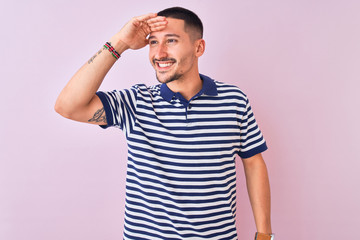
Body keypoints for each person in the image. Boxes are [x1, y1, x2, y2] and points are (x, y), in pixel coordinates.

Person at [55, 6, 274, 240]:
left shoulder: (233, 100)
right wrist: (119, 42)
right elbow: (67, 106)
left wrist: (264, 234)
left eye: (171, 40)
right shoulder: (136, 102)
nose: (159, 53)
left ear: (198, 47)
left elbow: (253, 163)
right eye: (153, 42)